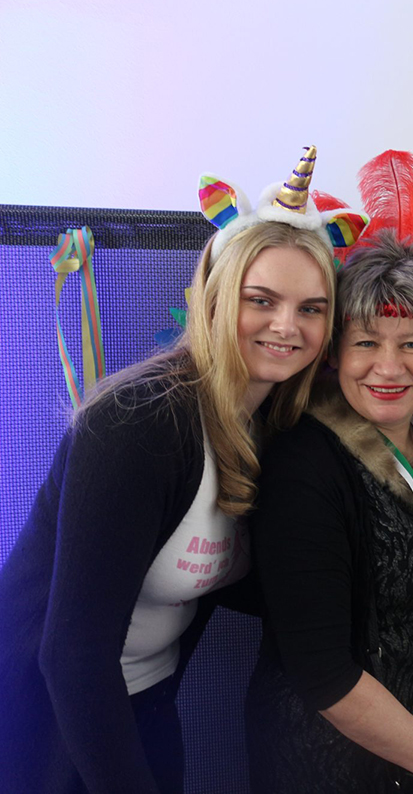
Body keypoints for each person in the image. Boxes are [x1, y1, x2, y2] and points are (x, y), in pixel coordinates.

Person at [0, 145, 365, 793]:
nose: (288, 326)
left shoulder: (274, 429)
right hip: (47, 717)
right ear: (216, 299)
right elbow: (73, 658)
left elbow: (244, 577)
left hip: (150, 699)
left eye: (311, 308)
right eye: (261, 300)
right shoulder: (136, 424)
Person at [245, 231, 413, 794]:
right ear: (334, 352)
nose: (389, 368)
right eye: (366, 342)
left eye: (412, 344)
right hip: (326, 758)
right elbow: (320, 669)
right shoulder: (304, 464)